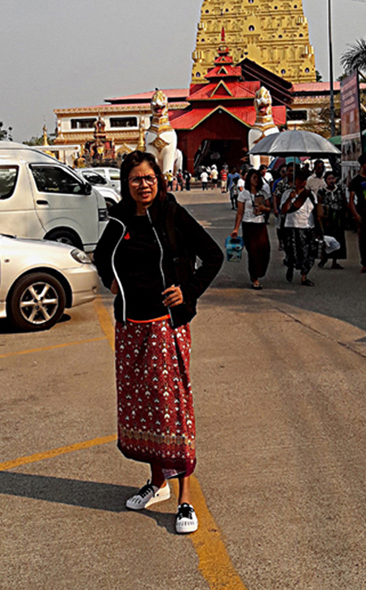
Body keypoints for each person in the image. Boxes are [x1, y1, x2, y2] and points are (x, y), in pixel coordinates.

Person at [95, 151, 223, 535]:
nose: (143, 185)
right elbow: (101, 255)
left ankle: (185, 498)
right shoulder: (119, 218)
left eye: (149, 178)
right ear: (126, 183)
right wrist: (110, 280)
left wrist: (189, 290)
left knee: (172, 408)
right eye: (136, 179)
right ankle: (157, 483)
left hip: (165, 326)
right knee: (143, 406)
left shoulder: (171, 213)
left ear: (159, 179)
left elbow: (212, 255)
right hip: (129, 326)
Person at [230, 168, 272, 289]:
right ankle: (254, 278)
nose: (256, 180)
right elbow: (240, 213)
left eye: (258, 178)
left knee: (265, 249)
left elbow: (270, 208)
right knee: (253, 252)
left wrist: (263, 209)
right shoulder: (244, 194)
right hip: (248, 224)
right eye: (254, 177)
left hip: (260, 224)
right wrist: (236, 229)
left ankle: (260, 272)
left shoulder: (263, 193)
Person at [280, 165, 317, 286]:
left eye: (304, 179)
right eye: (299, 179)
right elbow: (283, 210)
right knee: (291, 251)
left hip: (307, 227)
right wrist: (289, 199)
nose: (302, 182)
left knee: (308, 252)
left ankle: (304, 276)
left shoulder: (310, 195)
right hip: (291, 226)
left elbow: (316, 211)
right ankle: (290, 266)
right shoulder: (287, 193)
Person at [317, 171, 347, 268]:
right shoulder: (321, 192)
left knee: (338, 238)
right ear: (325, 180)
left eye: (332, 178)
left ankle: (335, 261)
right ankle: (324, 257)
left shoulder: (340, 190)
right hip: (327, 218)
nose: (331, 181)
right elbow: (319, 205)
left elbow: (344, 202)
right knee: (327, 239)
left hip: (338, 217)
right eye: (329, 179)